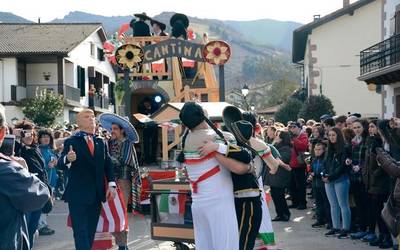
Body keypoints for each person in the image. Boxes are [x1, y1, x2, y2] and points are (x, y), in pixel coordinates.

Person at [178, 102, 251, 250]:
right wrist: (249, 168)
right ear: (203, 116)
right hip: (219, 204)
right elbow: (240, 166)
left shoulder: (184, 141)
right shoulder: (219, 137)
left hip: (198, 205)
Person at [58, 109, 116, 250]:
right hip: (78, 195)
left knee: (90, 232)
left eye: (92, 117)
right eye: (87, 117)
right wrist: (67, 159)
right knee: (80, 232)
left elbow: (108, 164)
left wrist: (112, 184)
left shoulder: (100, 142)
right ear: (79, 122)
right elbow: (60, 164)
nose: (91, 119)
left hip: (96, 195)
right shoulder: (72, 141)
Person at [14, 121, 53, 247]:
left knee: (31, 230)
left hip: (38, 194)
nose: (29, 136)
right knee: (23, 232)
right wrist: (15, 136)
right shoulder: (17, 149)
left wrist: (48, 191)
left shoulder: (35, 149)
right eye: (25, 133)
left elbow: (43, 172)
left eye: (31, 133)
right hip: (26, 196)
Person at [105, 117, 140, 250]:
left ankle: (123, 245)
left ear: (122, 131)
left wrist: (107, 159)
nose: (112, 131)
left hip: (123, 181)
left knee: (121, 212)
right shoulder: (109, 142)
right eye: (111, 129)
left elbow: (123, 160)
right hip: (111, 181)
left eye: (115, 129)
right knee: (112, 212)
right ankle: (120, 243)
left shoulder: (128, 143)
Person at [362, 120, 392, 248]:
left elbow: (387, 162)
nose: (371, 129)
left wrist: (375, 173)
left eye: (373, 127)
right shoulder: (372, 141)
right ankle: (381, 236)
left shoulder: (386, 143)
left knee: (382, 212)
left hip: (382, 182)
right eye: (369, 127)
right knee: (376, 211)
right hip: (372, 182)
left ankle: (387, 238)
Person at [322, 128, 352, 239]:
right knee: (333, 205)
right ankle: (335, 227)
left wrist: (330, 176)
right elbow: (325, 164)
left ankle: (346, 228)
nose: (331, 137)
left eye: (333, 135)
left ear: (338, 135)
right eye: (329, 135)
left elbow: (343, 166)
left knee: (343, 205)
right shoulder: (329, 149)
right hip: (329, 180)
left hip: (341, 179)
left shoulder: (345, 148)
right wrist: (324, 175)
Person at [348, 119, 371, 241]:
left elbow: (367, 158)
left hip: (364, 177)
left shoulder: (366, 141)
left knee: (366, 204)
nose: (356, 129)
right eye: (354, 127)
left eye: (358, 127)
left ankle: (367, 229)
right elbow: (352, 156)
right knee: (359, 204)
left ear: (364, 127)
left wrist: (360, 166)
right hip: (354, 176)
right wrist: (349, 161)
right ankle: (362, 229)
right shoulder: (353, 141)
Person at [37, 129, 58, 236]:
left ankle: (43, 224)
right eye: (43, 136)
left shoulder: (50, 150)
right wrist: (47, 166)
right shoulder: (38, 150)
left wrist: (55, 163)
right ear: (39, 139)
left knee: (48, 205)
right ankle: (41, 225)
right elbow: (38, 167)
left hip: (52, 182)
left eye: (48, 136)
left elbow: (56, 166)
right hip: (43, 183)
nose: (46, 138)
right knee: (43, 205)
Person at [268, 130, 292, 222]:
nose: (275, 137)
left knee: (279, 196)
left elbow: (282, 159)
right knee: (275, 195)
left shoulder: (286, 148)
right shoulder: (276, 146)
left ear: (282, 138)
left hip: (280, 175)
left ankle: (285, 214)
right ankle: (280, 214)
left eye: (278, 135)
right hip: (275, 175)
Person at [308, 142, 331, 228]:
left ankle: (329, 221)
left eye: (319, 149)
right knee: (318, 203)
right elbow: (311, 170)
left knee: (326, 203)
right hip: (315, 184)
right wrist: (310, 174)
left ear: (324, 150)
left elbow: (325, 171)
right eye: (316, 149)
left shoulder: (325, 159)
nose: (317, 151)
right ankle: (320, 220)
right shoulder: (314, 159)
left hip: (323, 184)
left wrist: (316, 174)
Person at [288, 122, 309, 210]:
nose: (292, 129)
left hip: (299, 165)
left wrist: (294, 139)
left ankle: (302, 203)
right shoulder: (292, 136)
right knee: (292, 184)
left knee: (300, 185)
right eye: (291, 127)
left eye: (294, 127)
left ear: (299, 128)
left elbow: (303, 146)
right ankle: (295, 202)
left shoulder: (303, 135)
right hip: (291, 164)